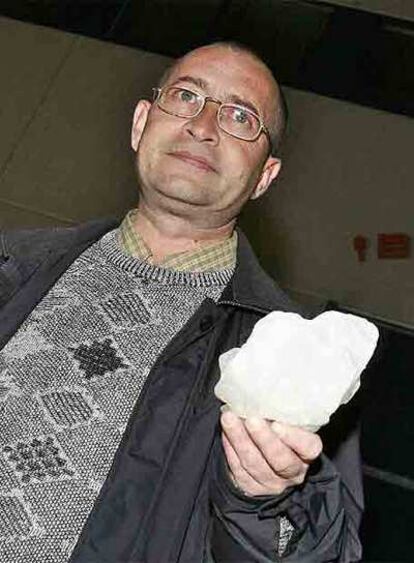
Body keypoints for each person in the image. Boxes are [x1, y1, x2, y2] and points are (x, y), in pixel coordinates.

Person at [0, 42, 363, 562]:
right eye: (187, 96)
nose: (204, 124)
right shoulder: (10, 266)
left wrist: (263, 502)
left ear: (264, 176)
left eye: (240, 116)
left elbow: (320, 553)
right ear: (140, 124)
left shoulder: (296, 365)